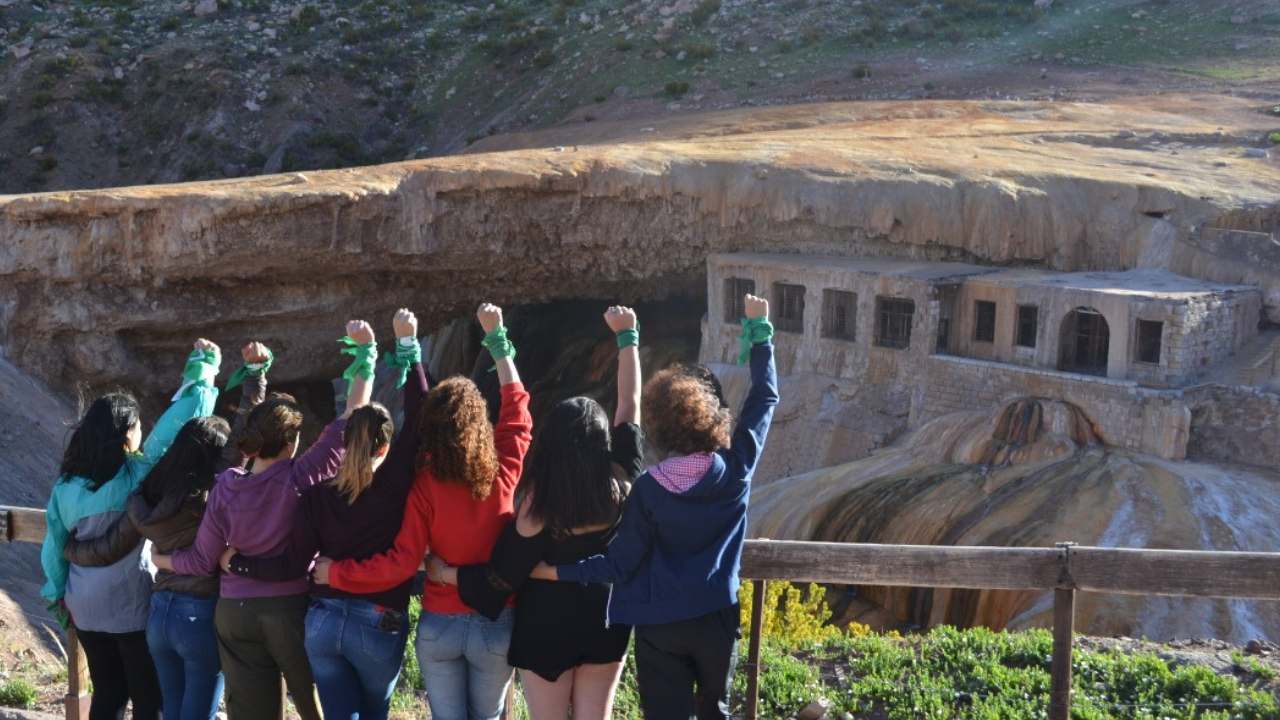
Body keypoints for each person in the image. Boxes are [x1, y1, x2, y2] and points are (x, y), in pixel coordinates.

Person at [533, 294, 778, 720]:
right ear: (711, 419)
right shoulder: (736, 469)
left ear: (661, 426)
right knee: (715, 710)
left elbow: (618, 565)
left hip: (659, 624)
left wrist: (555, 571)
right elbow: (764, 400)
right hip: (716, 616)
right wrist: (760, 336)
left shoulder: (649, 488)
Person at [313, 302, 533, 720]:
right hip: (495, 620)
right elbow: (518, 411)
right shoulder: (504, 470)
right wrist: (498, 340)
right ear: (479, 422)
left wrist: (336, 573)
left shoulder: (423, 485)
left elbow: (402, 562)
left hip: (440, 623)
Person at [425, 305, 645, 720]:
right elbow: (629, 407)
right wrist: (628, 338)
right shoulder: (621, 485)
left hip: (546, 627)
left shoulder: (537, 508)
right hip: (605, 620)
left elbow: (499, 577)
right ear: (602, 446)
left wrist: (442, 574)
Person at [153, 320, 376, 720]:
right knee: (314, 704)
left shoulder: (225, 486)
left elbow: (202, 561)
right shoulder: (302, 475)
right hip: (289, 609)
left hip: (234, 612)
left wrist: (162, 560)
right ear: (292, 443)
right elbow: (352, 418)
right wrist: (366, 356)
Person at [216, 309, 427, 719]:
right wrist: (408, 350)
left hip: (324, 621)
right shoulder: (392, 488)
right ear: (385, 448)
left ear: (342, 444)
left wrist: (237, 565)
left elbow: (291, 565)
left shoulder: (315, 494)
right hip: (377, 619)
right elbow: (420, 421)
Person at [61, 342, 272, 720]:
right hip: (187, 611)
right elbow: (244, 436)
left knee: (126, 697)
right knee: (164, 703)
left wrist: (66, 563)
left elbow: (102, 542)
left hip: (154, 613)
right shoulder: (212, 487)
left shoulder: (146, 491)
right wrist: (247, 379)